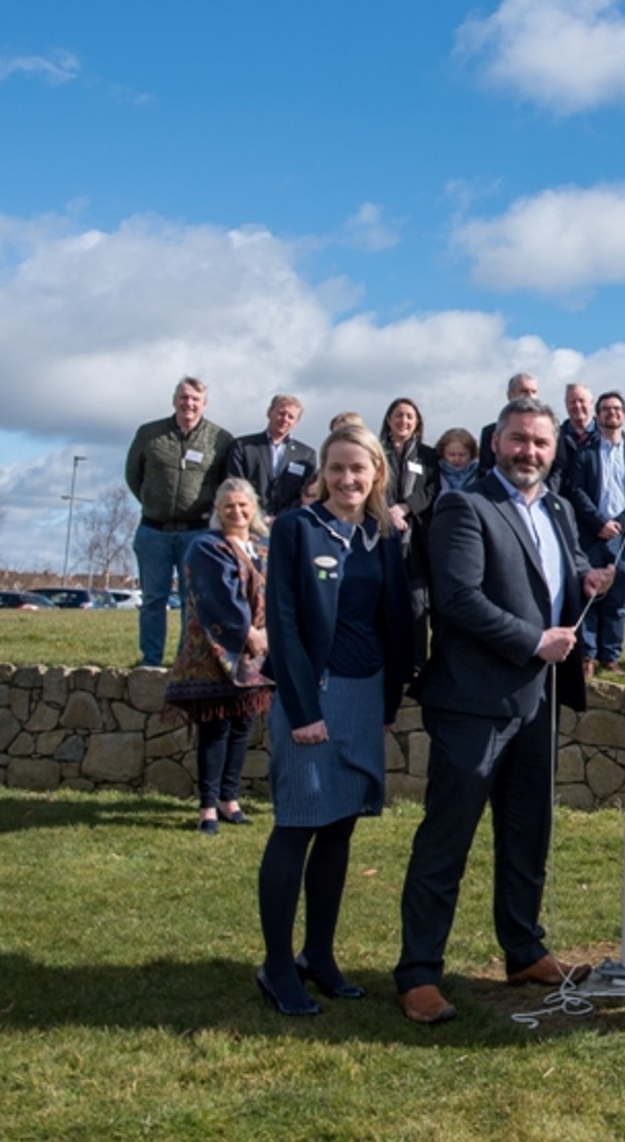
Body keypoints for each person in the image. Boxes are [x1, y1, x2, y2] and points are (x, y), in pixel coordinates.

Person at [395, 397, 615, 1025]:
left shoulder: (559, 508)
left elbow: (560, 572)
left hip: (539, 701)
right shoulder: (465, 506)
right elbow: (458, 598)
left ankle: (523, 949)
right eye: (519, 440)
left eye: (541, 444)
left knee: (528, 833)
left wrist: (588, 580)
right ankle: (417, 974)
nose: (530, 452)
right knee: (447, 838)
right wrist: (532, 641)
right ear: (496, 442)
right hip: (474, 703)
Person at [254, 424, 416, 1017]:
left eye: (360, 469)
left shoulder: (380, 537)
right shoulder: (297, 529)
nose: (349, 479)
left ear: (377, 473)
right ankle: (276, 967)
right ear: (323, 472)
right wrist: (302, 711)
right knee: (297, 826)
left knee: (340, 829)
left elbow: (396, 621)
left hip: (364, 695)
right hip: (312, 700)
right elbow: (287, 624)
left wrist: (390, 703)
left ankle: (317, 956)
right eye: (338, 468)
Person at [164, 477, 275, 836]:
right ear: (217, 510)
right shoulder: (206, 546)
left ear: (254, 507)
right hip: (216, 654)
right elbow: (217, 598)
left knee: (242, 727)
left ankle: (231, 800)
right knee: (216, 729)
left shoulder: (263, 547)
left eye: (243, 505)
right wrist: (248, 634)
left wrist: (268, 635)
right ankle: (208, 806)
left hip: (256, 656)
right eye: (229, 505)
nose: (237, 511)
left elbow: (279, 592)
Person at [126, 376, 234, 669]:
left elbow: (227, 484)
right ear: (175, 400)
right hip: (153, 531)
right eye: (184, 398)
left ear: (204, 404)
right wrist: (153, 502)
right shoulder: (149, 434)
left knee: (193, 602)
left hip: (196, 533)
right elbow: (133, 476)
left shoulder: (220, 439)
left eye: (195, 399)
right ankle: (151, 660)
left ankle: (185, 661)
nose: (189, 404)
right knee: (152, 600)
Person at [565, 390, 625, 670]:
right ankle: (588, 654)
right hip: (591, 533)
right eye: (606, 409)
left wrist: (619, 522)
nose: (612, 413)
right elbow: (576, 491)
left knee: (617, 598)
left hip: (623, 536)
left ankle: (611, 657)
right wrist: (599, 523)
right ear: (597, 417)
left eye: (617, 409)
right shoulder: (584, 455)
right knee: (591, 594)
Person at [379, 397, 438, 660]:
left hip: (417, 539)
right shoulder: (376, 451)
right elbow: (371, 485)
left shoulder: (427, 455)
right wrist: (388, 512)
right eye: (398, 415)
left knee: (416, 604)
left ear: (417, 423)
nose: (403, 421)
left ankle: (416, 663)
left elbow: (431, 489)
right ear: (389, 420)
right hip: (381, 532)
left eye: (409, 417)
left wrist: (405, 508)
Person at [223, 393, 317, 519]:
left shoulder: (306, 455)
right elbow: (235, 484)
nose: (285, 419)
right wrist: (257, 516)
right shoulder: (242, 446)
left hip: (288, 523)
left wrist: (280, 518)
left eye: (291, 417)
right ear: (269, 412)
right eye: (281, 413)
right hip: (248, 521)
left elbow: (307, 494)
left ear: (296, 422)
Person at [476, 372, 540, 481]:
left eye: (533, 392)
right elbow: (486, 469)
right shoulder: (490, 432)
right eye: (524, 391)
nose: (529, 396)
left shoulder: (550, 431)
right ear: (510, 395)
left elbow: (557, 469)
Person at [551, 383, 597, 492]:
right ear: (566, 405)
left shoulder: (607, 436)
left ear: (591, 403)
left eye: (581, 401)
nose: (577, 405)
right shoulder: (555, 437)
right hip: (565, 504)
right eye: (572, 402)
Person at [434, 428, 481, 494]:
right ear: (442, 453)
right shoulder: (434, 473)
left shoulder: (481, 473)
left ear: (471, 454)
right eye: (451, 455)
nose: (457, 459)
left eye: (462, 455)